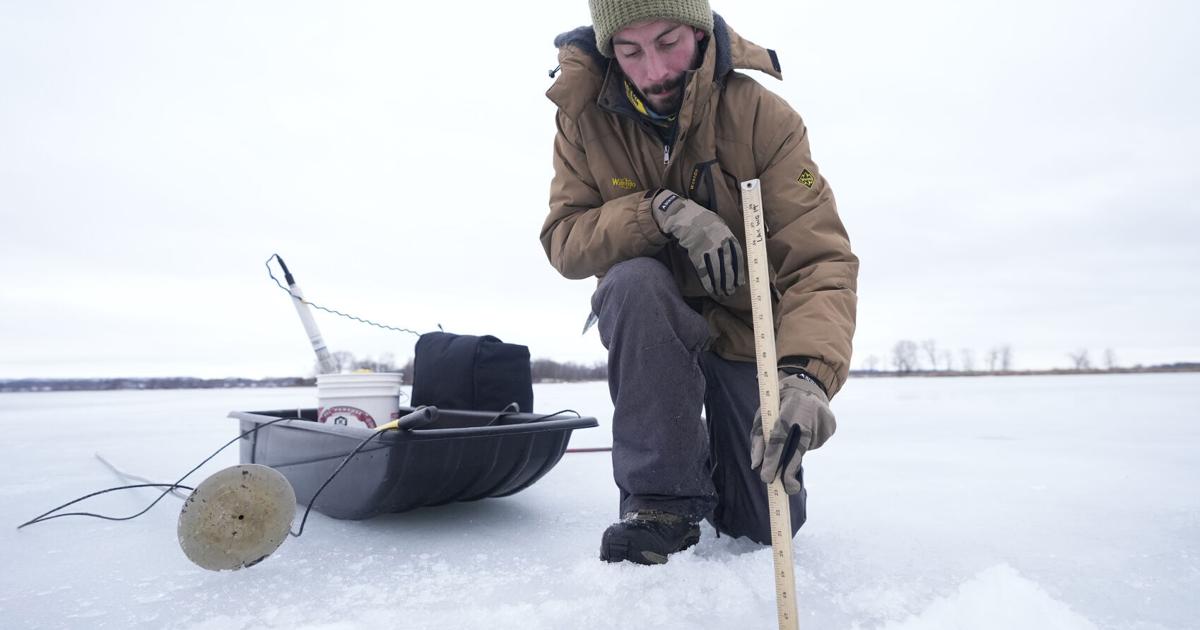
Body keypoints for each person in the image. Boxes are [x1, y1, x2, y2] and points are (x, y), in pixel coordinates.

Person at [541, 0, 858, 565]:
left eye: (668, 42)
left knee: (764, 523)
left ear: (698, 30)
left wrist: (805, 375)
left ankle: (710, 459)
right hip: (653, 328)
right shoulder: (583, 117)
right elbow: (565, 239)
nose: (654, 70)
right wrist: (660, 212)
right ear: (609, 48)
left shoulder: (765, 118)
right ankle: (662, 501)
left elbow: (819, 260)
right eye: (629, 50)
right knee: (632, 282)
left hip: (744, 328)